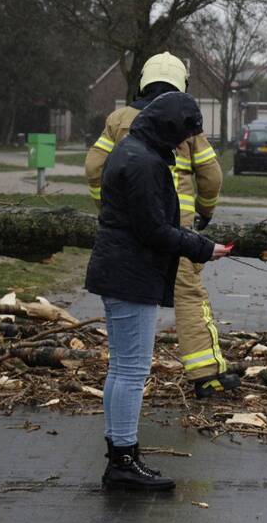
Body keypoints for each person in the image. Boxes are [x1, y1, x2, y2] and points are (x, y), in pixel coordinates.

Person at [85, 91, 231, 491]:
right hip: (131, 275)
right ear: (168, 128)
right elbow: (153, 230)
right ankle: (125, 462)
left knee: (120, 370)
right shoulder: (146, 163)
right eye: (183, 136)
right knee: (132, 372)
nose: (184, 145)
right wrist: (205, 247)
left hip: (116, 272)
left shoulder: (129, 150)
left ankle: (119, 456)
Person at [85, 52, 236, 398]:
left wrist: (106, 207)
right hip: (176, 225)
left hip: (127, 225)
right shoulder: (185, 123)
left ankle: (124, 376)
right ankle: (206, 374)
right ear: (182, 84)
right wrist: (205, 212)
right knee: (188, 292)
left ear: (142, 80)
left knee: (129, 294)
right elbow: (211, 176)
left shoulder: (119, 119)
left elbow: (94, 168)